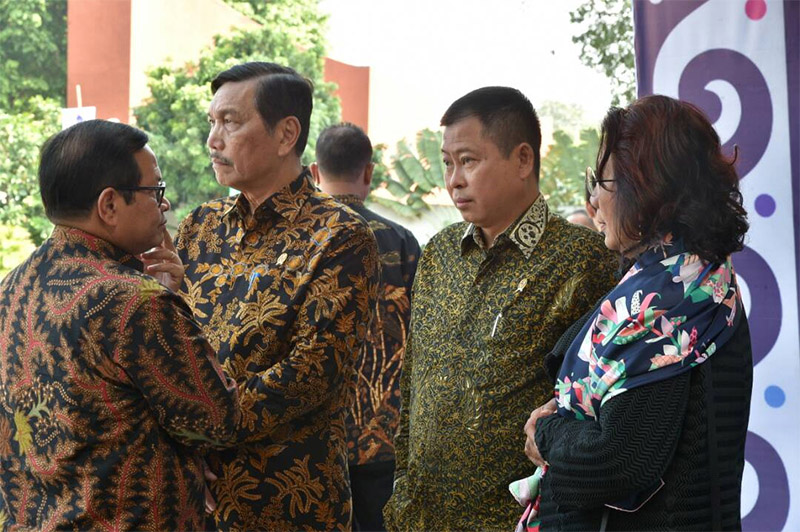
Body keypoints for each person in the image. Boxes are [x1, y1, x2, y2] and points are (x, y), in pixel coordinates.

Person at [382, 87, 618, 530]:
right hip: (418, 516)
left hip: (515, 520)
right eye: (447, 163)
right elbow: (414, 376)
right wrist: (401, 483)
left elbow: (595, 407)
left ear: (523, 159)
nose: (454, 180)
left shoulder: (583, 260)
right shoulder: (439, 253)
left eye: (468, 161)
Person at [519, 95, 752, 530]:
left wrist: (546, 433)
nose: (593, 200)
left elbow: (618, 461)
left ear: (646, 189)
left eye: (602, 182)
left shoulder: (670, 302)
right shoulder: (684, 277)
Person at [0, 120, 244, 530]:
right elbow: (217, 422)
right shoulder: (135, 302)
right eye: (155, 191)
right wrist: (172, 306)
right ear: (109, 205)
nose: (165, 205)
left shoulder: (12, 287)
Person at [175, 62, 380, 530]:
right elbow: (174, 344)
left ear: (287, 134)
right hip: (195, 499)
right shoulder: (200, 227)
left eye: (230, 122)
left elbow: (313, 369)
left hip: (289, 503)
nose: (213, 140)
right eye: (211, 122)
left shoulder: (340, 235)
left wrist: (203, 427)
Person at [311, 123, 421, 532]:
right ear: (369, 172)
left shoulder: (301, 238)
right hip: (383, 433)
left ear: (314, 173)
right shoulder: (401, 241)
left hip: (313, 438)